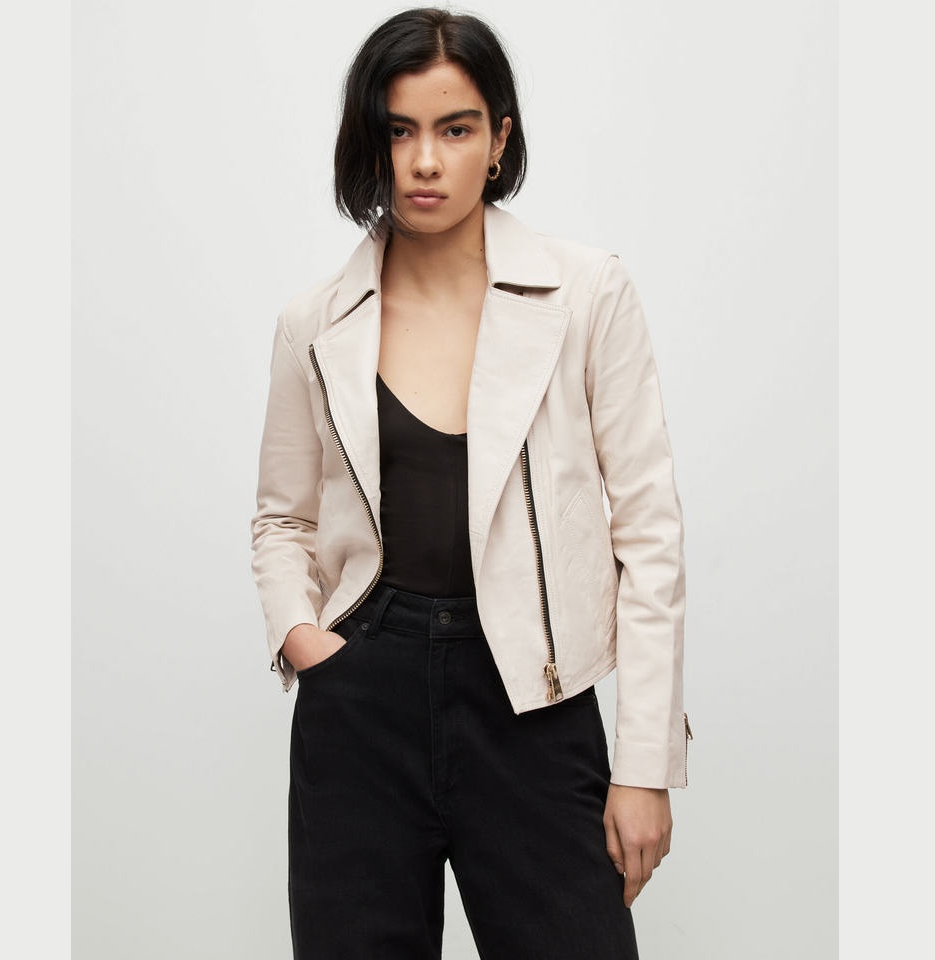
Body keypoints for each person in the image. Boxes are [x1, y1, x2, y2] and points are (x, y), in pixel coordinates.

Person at [250, 7, 692, 958]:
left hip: (533, 700)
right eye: (399, 130)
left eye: (454, 129)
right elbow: (282, 518)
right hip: (361, 702)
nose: (425, 161)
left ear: (498, 140)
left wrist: (645, 764)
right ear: (369, 142)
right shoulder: (313, 323)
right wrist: (301, 637)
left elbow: (649, 533)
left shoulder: (587, 294)